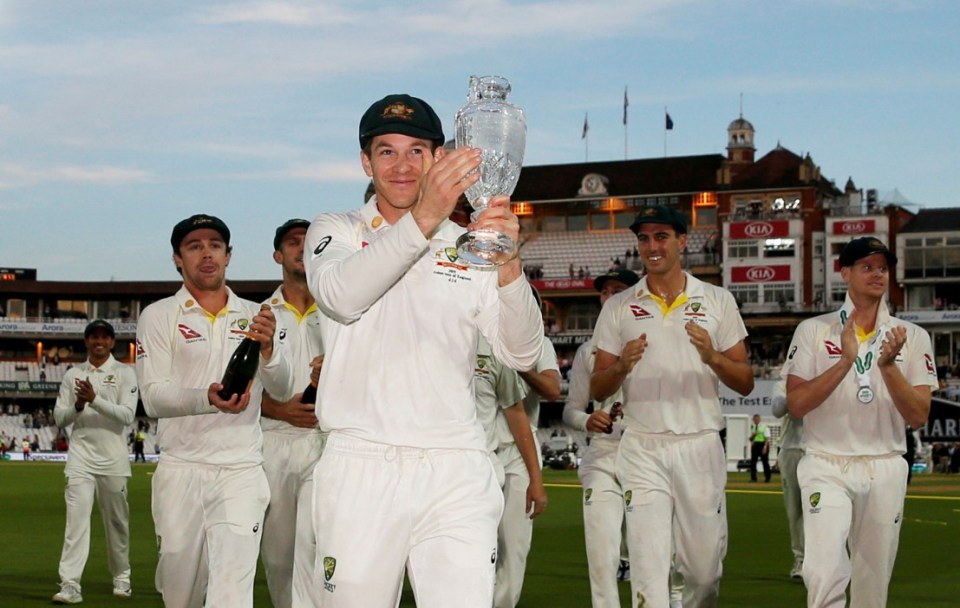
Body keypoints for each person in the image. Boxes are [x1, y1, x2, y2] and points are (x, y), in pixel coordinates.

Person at [304, 93, 543, 607]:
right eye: (386, 151)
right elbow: (342, 299)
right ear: (365, 162)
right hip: (361, 463)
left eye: (417, 150)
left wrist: (508, 266)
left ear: (438, 159)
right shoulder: (335, 231)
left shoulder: (466, 243)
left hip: (455, 465)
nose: (403, 165)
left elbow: (523, 353)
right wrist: (427, 217)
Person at [591, 205, 754, 608]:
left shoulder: (717, 300)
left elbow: (746, 382)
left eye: (661, 236)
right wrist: (623, 365)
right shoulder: (619, 307)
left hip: (699, 445)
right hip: (642, 447)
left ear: (682, 241)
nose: (651, 246)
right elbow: (598, 385)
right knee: (648, 573)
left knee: (704, 572)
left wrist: (714, 357)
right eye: (644, 239)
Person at [136, 214, 293, 608]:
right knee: (180, 592)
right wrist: (207, 397)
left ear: (228, 255)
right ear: (178, 259)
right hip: (181, 468)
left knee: (232, 591)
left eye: (215, 245)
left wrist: (270, 351)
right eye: (194, 246)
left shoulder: (258, 315)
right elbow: (153, 398)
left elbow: (283, 387)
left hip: (240, 468)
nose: (206, 253)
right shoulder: (158, 316)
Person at [784, 236, 936, 608]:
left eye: (882, 268)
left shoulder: (912, 337)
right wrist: (844, 362)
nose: (877, 274)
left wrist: (887, 368)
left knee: (872, 584)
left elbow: (918, 415)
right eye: (867, 267)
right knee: (821, 570)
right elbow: (798, 404)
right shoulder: (814, 331)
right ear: (845, 272)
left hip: (884, 464)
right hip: (826, 463)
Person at [563, 269, 639, 608]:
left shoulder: (652, 343)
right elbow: (571, 410)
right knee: (601, 552)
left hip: (646, 455)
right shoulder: (587, 351)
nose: (609, 296)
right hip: (602, 458)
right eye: (605, 291)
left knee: (657, 552)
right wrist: (587, 419)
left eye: (618, 290)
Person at [259, 218, 326, 608]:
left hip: (326, 443)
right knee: (280, 556)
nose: (302, 248)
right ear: (277, 254)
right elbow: (240, 391)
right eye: (292, 242)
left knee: (318, 552)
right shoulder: (259, 314)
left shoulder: (341, 311)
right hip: (275, 445)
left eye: (310, 241)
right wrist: (279, 409)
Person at [52, 319, 138, 604]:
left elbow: (127, 416)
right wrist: (78, 405)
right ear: (86, 341)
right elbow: (60, 418)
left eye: (104, 337)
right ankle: (70, 584)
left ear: (113, 342)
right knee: (75, 523)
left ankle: (122, 576)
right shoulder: (72, 374)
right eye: (93, 337)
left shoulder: (126, 373)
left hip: (113, 461)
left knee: (117, 522)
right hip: (80, 460)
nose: (99, 342)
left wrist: (94, 398)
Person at [473, 336, 548, 607]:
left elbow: (518, 416)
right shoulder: (428, 341)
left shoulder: (495, 352)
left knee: (507, 549)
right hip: (438, 468)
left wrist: (536, 480)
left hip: (484, 465)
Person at [495, 325, 559, 608]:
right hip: (477, 448)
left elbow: (553, 390)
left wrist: (519, 368)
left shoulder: (539, 343)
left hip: (520, 453)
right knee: (471, 541)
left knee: (514, 545)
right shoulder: (477, 337)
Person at [771, 380, 804, 579]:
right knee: (795, 510)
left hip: (822, 449)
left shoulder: (829, 372)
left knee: (829, 508)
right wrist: (803, 391)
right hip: (792, 449)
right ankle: (801, 559)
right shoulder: (783, 382)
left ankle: (831, 560)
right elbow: (776, 409)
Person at [749, 413, 772, 482]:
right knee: (753, 462)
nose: (756, 420)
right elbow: (751, 439)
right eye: (755, 419)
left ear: (759, 419)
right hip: (755, 445)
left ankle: (767, 477)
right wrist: (753, 436)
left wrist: (765, 447)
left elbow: (767, 438)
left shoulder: (764, 427)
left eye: (757, 419)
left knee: (765, 462)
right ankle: (753, 478)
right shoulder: (753, 427)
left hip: (763, 444)